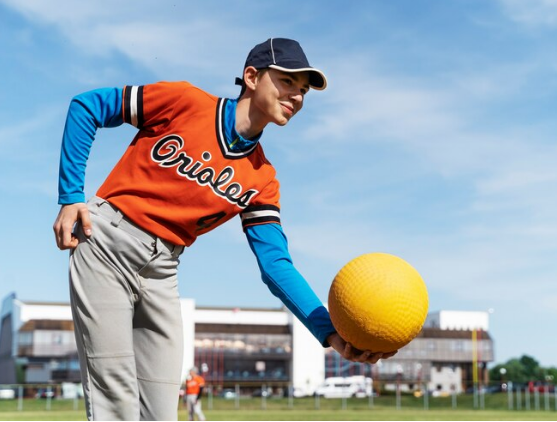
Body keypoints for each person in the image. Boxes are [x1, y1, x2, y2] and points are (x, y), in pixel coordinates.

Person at [53, 37, 396, 421]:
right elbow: (87, 106)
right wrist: (71, 195)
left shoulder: (263, 179)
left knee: (161, 411)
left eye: (302, 92)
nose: (296, 97)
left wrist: (330, 332)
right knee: (114, 400)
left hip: (163, 269)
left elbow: (275, 264)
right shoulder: (185, 102)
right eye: (287, 82)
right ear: (252, 76)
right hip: (109, 242)